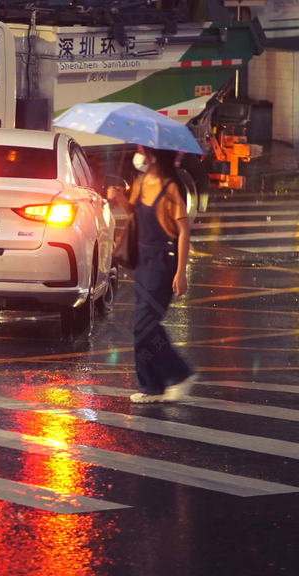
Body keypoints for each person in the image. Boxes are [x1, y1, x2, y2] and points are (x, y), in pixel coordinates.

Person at [108, 145, 198, 403]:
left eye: (141, 149)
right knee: (141, 327)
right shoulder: (142, 180)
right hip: (144, 261)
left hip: (163, 262)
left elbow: (183, 232)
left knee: (146, 324)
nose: (138, 154)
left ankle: (180, 373)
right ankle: (151, 385)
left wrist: (181, 272)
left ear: (152, 154)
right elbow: (134, 216)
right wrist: (119, 199)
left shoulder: (171, 188)